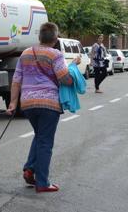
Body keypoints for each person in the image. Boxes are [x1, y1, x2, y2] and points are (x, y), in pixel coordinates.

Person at [7, 22, 80, 193]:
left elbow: (16, 80)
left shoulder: (25, 54)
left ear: (39, 37)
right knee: (45, 141)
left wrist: (12, 103)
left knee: (40, 136)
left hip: (28, 104)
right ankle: (42, 182)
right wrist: (73, 68)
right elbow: (65, 79)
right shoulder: (55, 54)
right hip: (48, 104)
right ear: (55, 39)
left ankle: (29, 168)